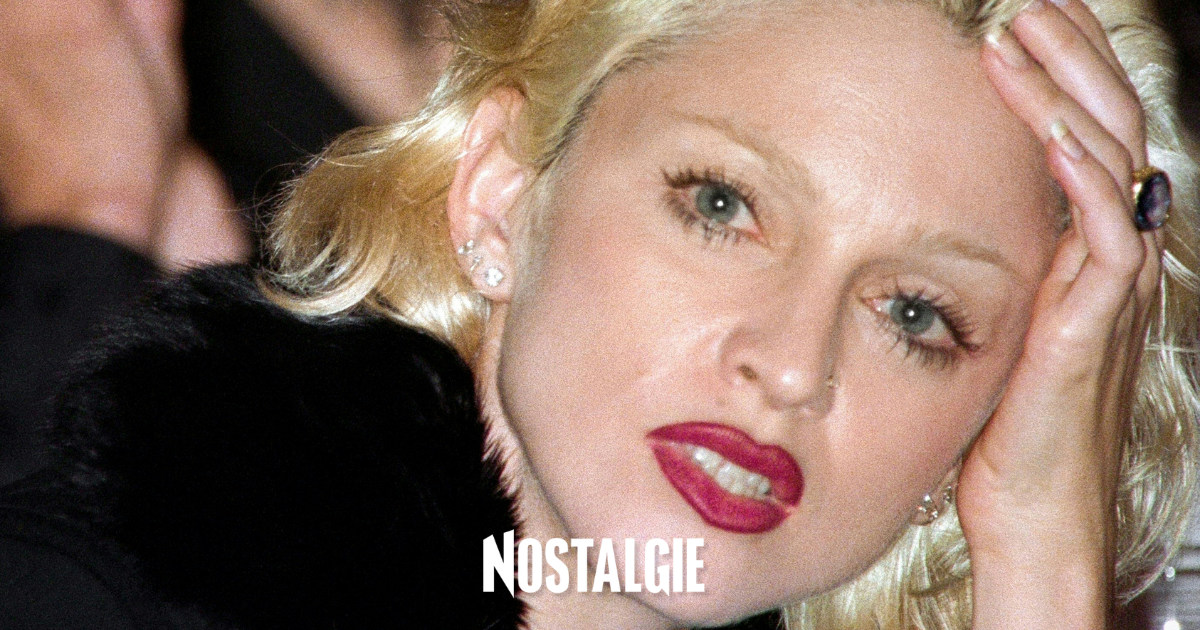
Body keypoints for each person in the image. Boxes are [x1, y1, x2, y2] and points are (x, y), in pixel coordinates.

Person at [1, 0, 1197, 629]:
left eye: (917, 314)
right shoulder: (99, 589)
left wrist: (1043, 550)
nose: (791, 365)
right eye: (722, 205)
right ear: (501, 193)